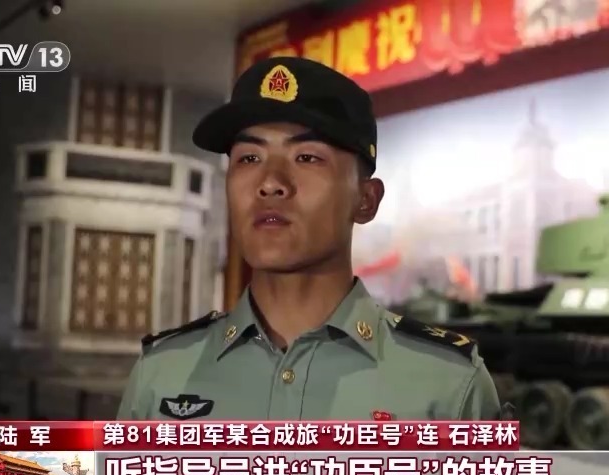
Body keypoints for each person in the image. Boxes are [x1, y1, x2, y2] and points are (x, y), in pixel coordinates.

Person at [116, 57, 501, 421]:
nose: (270, 183)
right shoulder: (162, 373)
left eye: (307, 158)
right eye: (249, 158)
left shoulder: (449, 385)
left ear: (366, 200)